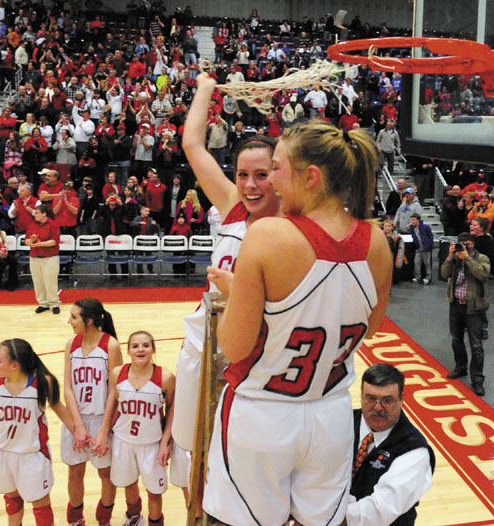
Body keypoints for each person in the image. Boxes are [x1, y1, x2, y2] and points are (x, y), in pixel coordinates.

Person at [202, 120, 392, 525]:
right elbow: (369, 328)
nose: (271, 181)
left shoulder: (269, 234)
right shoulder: (377, 242)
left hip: (261, 415)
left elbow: (233, 348)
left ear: (310, 177)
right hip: (332, 417)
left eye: (277, 168)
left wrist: (240, 296)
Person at [172, 74, 283, 468]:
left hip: (253, 355)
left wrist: (242, 292)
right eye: (242, 175)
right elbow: (192, 144)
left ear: (281, 175)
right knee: (190, 450)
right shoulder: (233, 204)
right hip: (203, 343)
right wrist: (205, 86)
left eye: (262, 175)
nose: (250, 185)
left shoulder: (291, 226)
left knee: (236, 460)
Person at [0, 338, 74, 526]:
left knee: (40, 503)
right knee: (11, 499)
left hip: (32, 455)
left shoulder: (42, 383)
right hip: (2, 453)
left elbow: (60, 409)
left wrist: (80, 433)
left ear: (15, 366)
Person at [92, 331, 176, 526]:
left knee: (154, 491)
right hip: (123, 440)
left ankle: (155, 522)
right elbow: (111, 403)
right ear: (128, 350)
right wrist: (103, 432)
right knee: (128, 483)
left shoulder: (166, 377)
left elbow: (172, 411)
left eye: (146, 345)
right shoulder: (118, 374)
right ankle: (134, 517)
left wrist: (165, 443)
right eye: (136, 346)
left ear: (153, 349)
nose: (141, 349)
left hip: (151, 443)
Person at [348, 363, 435, 526]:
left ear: (401, 399)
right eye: (371, 398)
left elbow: (379, 510)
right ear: (361, 396)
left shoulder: (414, 450)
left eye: (387, 400)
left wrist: (325, 518)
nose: (378, 407)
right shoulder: (341, 422)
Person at [61, 298, 123, 526]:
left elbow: (115, 392)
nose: (69, 321)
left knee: (106, 474)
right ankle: (76, 519)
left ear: (89, 320)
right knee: (75, 471)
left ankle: (103, 520)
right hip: (77, 419)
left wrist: (104, 430)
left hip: (102, 420)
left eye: (74, 317)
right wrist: (77, 426)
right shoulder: (71, 344)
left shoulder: (111, 346)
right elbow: (67, 387)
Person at [441, 233, 490, 395]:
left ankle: (477, 379)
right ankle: (461, 367)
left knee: (476, 345)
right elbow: (444, 274)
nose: (464, 247)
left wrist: (467, 258)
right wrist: (450, 257)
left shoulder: (482, 258)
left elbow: (482, 274)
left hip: (474, 308)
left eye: (467, 244)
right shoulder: (455, 259)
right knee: (456, 340)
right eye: (461, 244)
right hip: (456, 305)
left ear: (473, 244)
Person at [25, 205, 60, 314]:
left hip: (50, 257)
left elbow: (54, 241)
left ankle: (54, 303)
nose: (34, 214)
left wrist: (40, 244)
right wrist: (30, 241)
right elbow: (26, 240)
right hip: (35, 257)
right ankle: (43, 303)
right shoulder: (32, 225)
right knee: (38, 281)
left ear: (44, 214)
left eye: (37, 212)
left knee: (50, 281)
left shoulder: (53, 224)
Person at [408, 213, 433, 284]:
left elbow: (430, 236)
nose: (412, 221)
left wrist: (429, 245)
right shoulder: (412, 228)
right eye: (411, 220)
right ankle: (417, 276)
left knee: (427, 264)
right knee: (416, 263)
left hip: (425, 248)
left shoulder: (425, 227)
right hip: (418, 248)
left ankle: (428, 277)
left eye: (414, 220)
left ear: (418, 220)